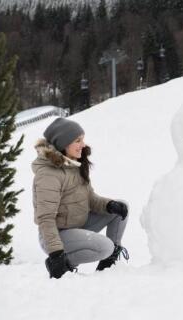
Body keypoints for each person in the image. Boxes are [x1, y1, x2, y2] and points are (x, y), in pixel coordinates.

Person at [32, 117, 129, 279]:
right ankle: (64, 263)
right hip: (56, 235)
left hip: (78, 225)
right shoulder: (48, 175)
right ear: (63, 144)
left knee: (121, 207)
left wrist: (110, 205)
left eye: (83, 139)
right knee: (105, 247)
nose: (83, 145)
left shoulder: (74, 165)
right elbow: (45, 218)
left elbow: (90, 199)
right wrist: (56, 253)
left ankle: (109, 263)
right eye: (78, 140)